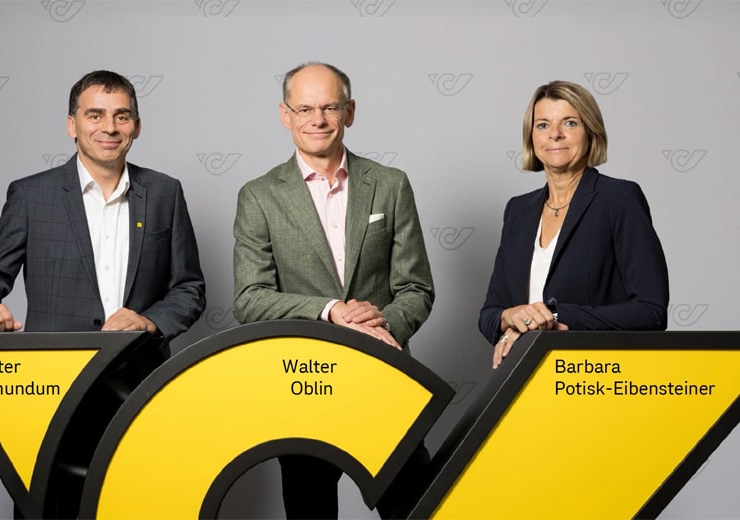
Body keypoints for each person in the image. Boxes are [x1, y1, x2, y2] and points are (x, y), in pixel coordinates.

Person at [232, 62, 434, 519]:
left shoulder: (390, 184)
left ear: (350, 112)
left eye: (330, 107)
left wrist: (380, 326)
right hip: (303, 384)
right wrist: (330, 310)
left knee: (412, 508)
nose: (317, 119)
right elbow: (249, 298)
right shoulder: (259, 195)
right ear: (285, 115)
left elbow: (416, 288)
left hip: (382, 378)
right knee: (310, 512)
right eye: (304, 109)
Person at [0, 70, 206, 348]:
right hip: (55, 366)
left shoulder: (165, 193)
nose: (110, 128)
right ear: (72, 126)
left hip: (141, 366)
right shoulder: (31, 196)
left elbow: (189, 288)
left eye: (122, 117)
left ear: (136, 127)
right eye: (95, 116)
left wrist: (149, 321)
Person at [479, 80, 669, 369]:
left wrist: (553, 316)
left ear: (590, 132)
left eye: (569, 123)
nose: (555, 134)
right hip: (523, 372)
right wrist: (510, 318)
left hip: (594, 375)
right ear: (531, 137)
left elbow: (651, 311)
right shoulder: (518, 210)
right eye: (542, 125)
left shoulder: (619, 199)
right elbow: (489, 313)